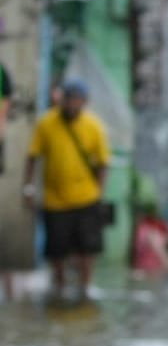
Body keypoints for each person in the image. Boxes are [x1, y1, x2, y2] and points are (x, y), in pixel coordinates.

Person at [22, 79, 111, 302]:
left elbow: (103, 163)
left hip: (86, 197)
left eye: (76, 100)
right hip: (55, 199)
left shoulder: (94, 126)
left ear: (84, 102)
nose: (72, 105)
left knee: (87, 247)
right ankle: (59, 286)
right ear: (61, 101)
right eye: (68, 100)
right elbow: (33, 156)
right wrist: (29, 188)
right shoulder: (46, 124)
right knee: (57, 249)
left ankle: (86, 286)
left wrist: (99, 193)